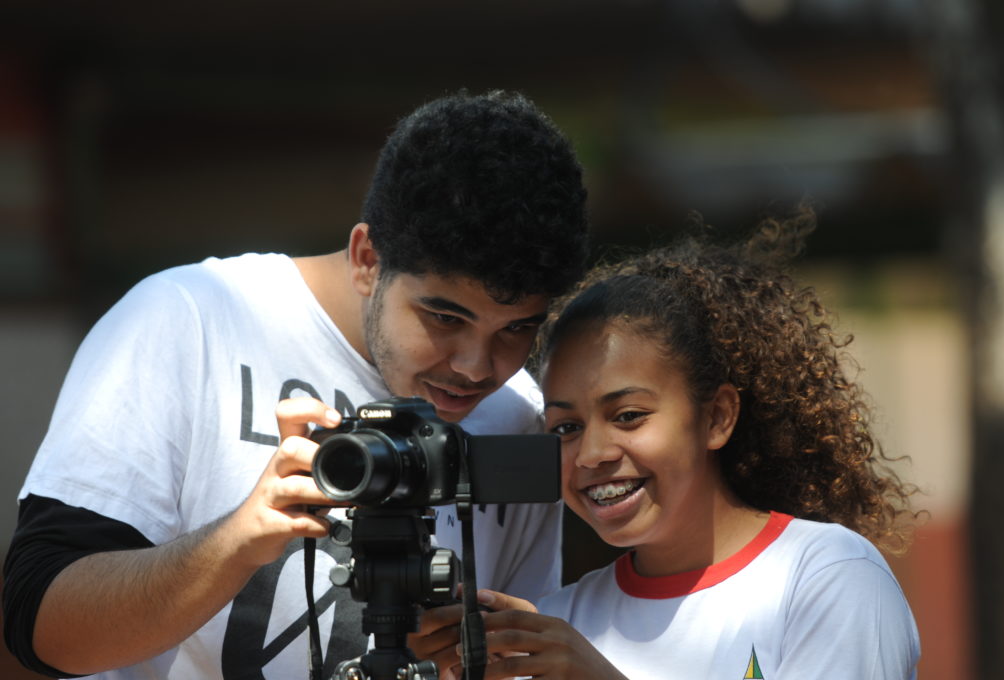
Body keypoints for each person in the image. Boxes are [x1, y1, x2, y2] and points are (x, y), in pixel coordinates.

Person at [3, 90, 589, 679]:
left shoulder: (522, 419)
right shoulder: (190, 317)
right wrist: (235, 542)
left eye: (517, 330)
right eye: (445, 318)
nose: (476, 367)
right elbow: (33, 626)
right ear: (367, 259)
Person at [412, 208, 921, 679]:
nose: (592, 455)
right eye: (566, 428)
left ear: (717, 418)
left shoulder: (827, 577)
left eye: (629, 416)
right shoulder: (554, 626)